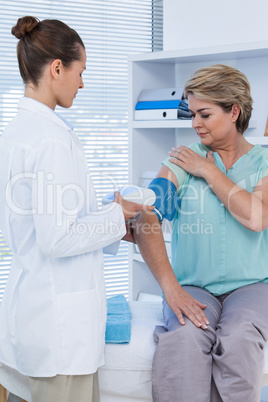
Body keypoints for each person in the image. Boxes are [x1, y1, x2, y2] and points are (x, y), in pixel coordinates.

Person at [0, 16, 152, 402]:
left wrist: (109, 218)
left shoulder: (17, 132)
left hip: (34, 314)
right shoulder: (51, 140)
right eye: (80, 72)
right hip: (60, 332)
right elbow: (58, 237)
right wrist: (119, 215)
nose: (82, 84)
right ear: (56, 69)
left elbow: (47, 223)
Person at [132, 64, 268, 401]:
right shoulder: (180, 160)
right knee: (184, 339)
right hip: (193, 286)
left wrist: (208, 170)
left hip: (251, 288)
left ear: (234, 111)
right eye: (191, 114)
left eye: (204, 114)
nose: (195, 124)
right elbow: (148, 217)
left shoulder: (264, 162)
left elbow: (256, 216)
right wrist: (171, 289)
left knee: (239, 340)